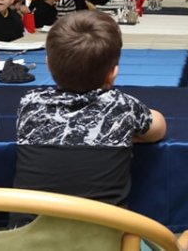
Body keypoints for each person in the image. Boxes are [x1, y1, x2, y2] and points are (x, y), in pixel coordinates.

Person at [14, 11, 166, 211]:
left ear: (48, 64)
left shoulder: (29, 104)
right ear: (113, 73)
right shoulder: (121, 107)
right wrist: (126, 131)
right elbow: (159, 127)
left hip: (24, 240)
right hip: (105, 240)